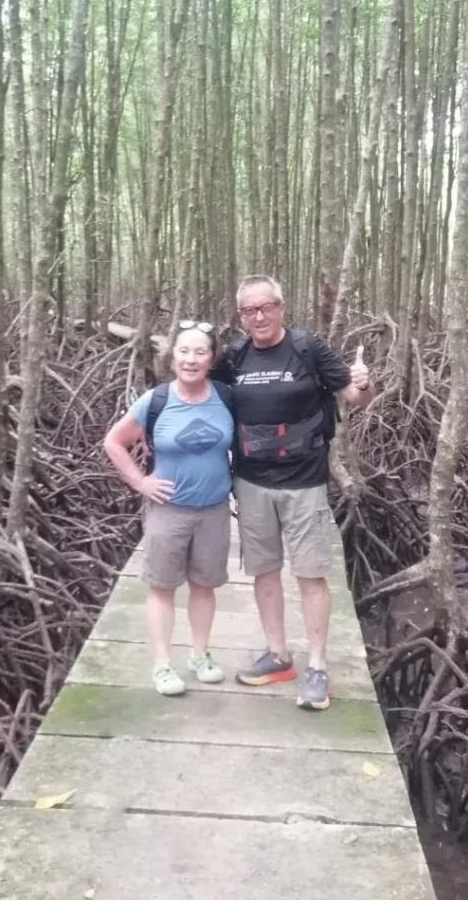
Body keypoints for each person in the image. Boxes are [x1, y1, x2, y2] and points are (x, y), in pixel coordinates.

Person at [213, 276, 373, 710]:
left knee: (311, 575)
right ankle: (278, 656)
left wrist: (363, 381)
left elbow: (355, 398)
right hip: (250, 483)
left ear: (281, 307)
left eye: (266, 307)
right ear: (241, 316)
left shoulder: (308, 348)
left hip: (304, 482)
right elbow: (195, 386)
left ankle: (317, 667)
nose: (258, 316)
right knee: (264, 571)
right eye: (249, 310)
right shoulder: (235, 355)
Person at [103, 322, 234, 697]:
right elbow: (114, 442)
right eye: (184, 351)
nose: (191, 359)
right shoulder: (156, 401)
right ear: (172, 355)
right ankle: (162, 664)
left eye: (200, 352)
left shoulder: (225, 397)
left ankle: (200, 655)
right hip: (168, 510)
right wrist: (140, 482)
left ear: (211, 359)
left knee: (204, 586)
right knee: (162, 588)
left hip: (214, 509)